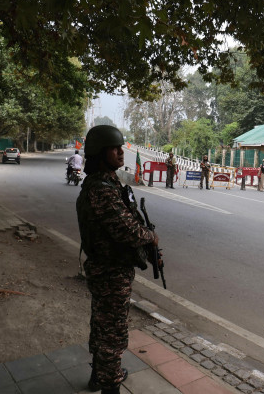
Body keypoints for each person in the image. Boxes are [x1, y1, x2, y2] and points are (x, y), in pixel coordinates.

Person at [76, 125, 159, 394]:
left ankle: (98, 375)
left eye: (120, 147)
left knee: (102, 325)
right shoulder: (101, 189)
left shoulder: (107, 181)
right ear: (101, 153)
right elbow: (127, 230)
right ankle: (110, 384)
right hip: (110, 272)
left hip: (109, 269)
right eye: (115, 148)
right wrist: (150, 238)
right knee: (112, 332)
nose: (121, 153)